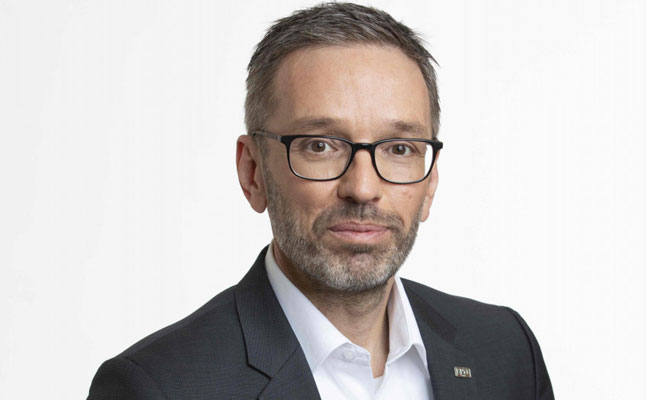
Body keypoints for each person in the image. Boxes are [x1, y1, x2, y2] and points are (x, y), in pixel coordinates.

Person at [88, 3, 553, 399]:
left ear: (430, 183)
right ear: (253, 173)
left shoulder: (506, 352)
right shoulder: (159, 387)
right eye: (320, 145)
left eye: (399, 149)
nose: (363, 188)